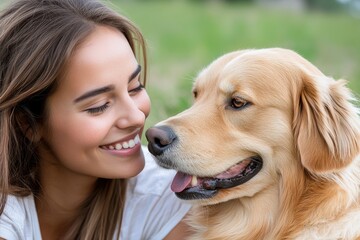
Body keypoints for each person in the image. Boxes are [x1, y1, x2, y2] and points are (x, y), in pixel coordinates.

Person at [0, 0, 191, 239]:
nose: (136, 116)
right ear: (28, 123)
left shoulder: (173, 196)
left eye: (135, 87)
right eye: (99, 106)